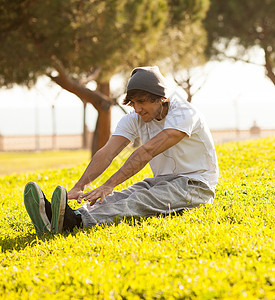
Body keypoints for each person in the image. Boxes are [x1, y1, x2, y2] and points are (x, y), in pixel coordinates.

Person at [24, 66, 219, 235]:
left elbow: (146, 152)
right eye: (133, 103)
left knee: (140, 200)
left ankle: (74, 222)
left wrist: (109, 184)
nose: (137, 109)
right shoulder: (135, 118)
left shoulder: (184, 114)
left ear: (161, 98)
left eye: (142, 101)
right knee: (122, 196)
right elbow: (107, 152)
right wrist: (81, 185)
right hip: (161, 181)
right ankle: (59, 217)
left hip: (196, 185)